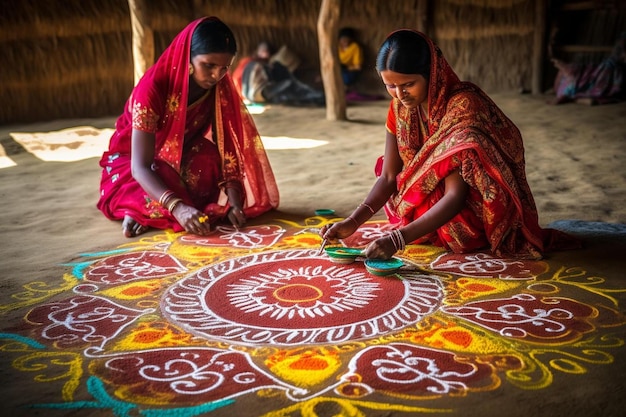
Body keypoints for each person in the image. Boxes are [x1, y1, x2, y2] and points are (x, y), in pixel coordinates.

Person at [320, 29, 578, 260]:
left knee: (458, 235)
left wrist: (398, 239)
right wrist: (353, 222)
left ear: (432, 73)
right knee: (392, 178)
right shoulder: (398, 108)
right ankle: (417, 227)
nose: (400, 95)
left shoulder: (462, 107)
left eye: (408, 84)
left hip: (469, 211)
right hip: (427, 205)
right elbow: (389, 175)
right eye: (390, 86)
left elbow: (456, 195)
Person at [97, 17, 279, 237]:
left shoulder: (218, 86)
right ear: (188, 57)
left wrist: (234, 202)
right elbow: (140, 167)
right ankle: (137, 209)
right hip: (133, 163)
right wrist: (178, 208)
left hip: (182, 157)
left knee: (208, 158)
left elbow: (227, 147)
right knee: (154, 178)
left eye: (224, 68)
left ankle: (150, 211)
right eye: (209, 65)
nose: (216, 75)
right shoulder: (153, 88)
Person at [234, 41, 325, 106]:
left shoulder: (247, 62)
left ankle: (316, 96)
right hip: (257, 93)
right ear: (259, 51)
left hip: (249, 95)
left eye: (267, 52)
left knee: (289, 89)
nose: (266, 54)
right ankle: (318, 96)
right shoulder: (253, 64)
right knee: (289, 85)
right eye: (264, 51)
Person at [550, 32, 625, 105]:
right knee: (590, 73)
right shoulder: (563, 84)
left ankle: (572, 75)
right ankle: (572, 74)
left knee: (590, 75)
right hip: (606, 68)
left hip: (611, 71)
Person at [338, 27, 364, 91]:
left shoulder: (354, 47)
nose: (344, 41)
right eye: (342, 39)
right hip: (338, 70)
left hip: (350, 71)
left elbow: (358, 67)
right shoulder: (337, 47)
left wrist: (345, 67)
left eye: (346, 39)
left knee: (345, 77)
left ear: (350, 39)